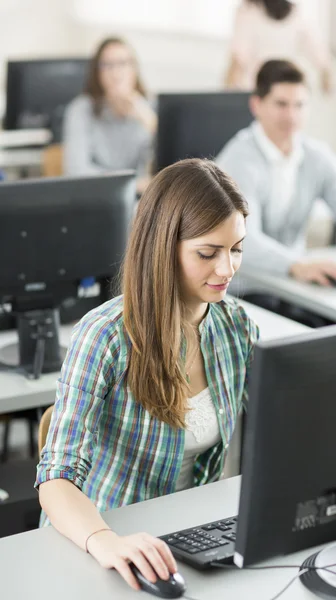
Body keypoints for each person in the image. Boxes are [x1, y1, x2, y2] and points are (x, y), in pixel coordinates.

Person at [35, 159, 259, 590]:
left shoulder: (236, 327)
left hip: (188, 538)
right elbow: (56, 477)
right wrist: (105, 541)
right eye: (207, 253)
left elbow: (278, 433)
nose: (227, 269)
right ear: (163, 247)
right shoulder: (104, 336)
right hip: (100, 542)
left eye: (236, 249)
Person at [216, 60, 336, 310]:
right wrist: (297, 265)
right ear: (256, 105)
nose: (291, 116)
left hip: (298, 284)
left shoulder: (316, 157)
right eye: (281, 104)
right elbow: (244, 241)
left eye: (299, 105)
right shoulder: (238, 160)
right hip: (248, 289)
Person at [63, 37, 157, 194]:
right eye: (107, 65)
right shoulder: (80, 110)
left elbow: (165, 169)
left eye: (123, 63)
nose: (116, 72)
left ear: (134, 69)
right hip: (94, 196)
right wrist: (133, 184)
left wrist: (151, 123)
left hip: (141, 201)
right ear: (97, 72)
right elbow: (76, 171)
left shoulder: (149, 108)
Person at [225, 0, 332, 93]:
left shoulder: (247, 11)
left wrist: (325, 73)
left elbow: (238, 59)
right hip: (266, 89)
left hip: (279, 90)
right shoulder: (248, 11)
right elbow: (238, 60)